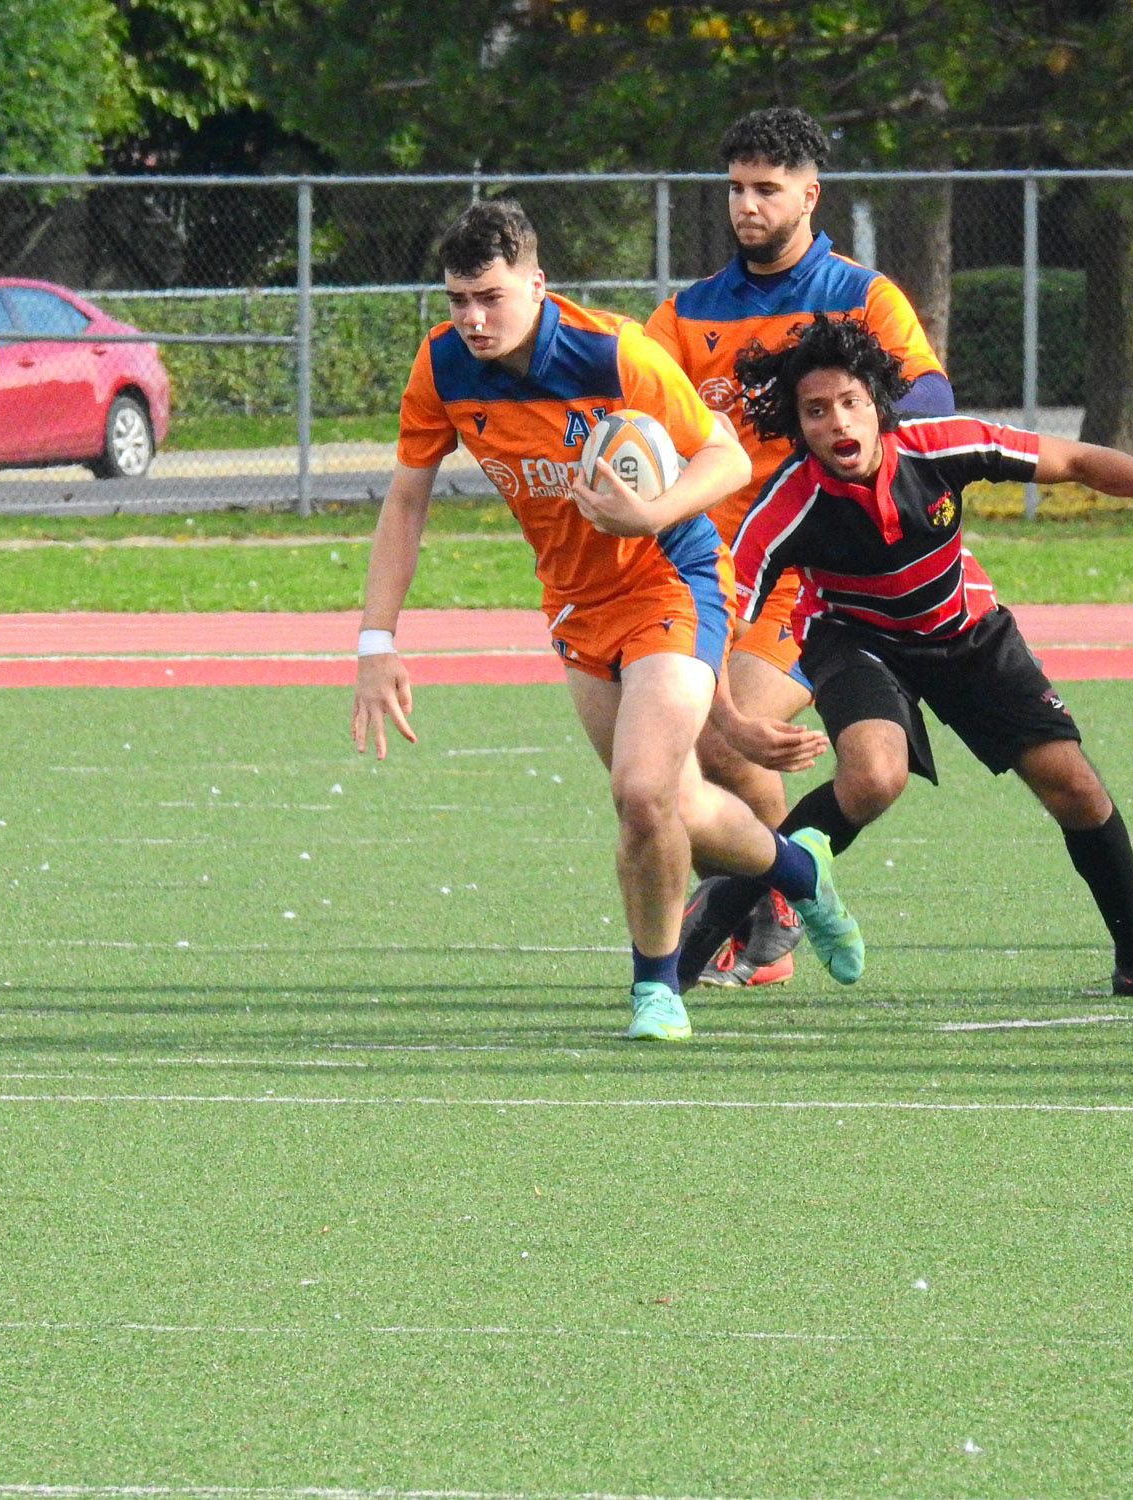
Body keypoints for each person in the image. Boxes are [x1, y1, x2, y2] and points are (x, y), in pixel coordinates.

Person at [351, 198, 861, 1042]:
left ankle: (654, 990)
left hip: (673, 580)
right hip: (576, 606)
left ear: (537, 284)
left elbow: (726, 455)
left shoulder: (616, 351)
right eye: (456, 300)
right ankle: (801, 869)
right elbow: (406, 499)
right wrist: (376, 642)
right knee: (666, 802)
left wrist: (650, 512)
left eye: (490, 296)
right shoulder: (443, 368)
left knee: (638, 789)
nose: (473, 319)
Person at [692, 312, 1133, 1001]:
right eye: (815, 411)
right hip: (858, 641)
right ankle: (686, 956)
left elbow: (1079, 462)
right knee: (873, 778)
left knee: (1077, 790)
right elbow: (714, 618)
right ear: (798, 425)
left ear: (878, 406)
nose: (837, 423)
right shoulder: (785, 507)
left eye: (850, 403)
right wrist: (729, 719)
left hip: (968, 634)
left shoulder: (944, 445)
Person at [647, 105, 956, 990]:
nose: (746, 205)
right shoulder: (686, 316)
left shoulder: (862, 297)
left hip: (808, 569)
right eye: (736, 188)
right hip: (709, 568)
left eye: (767, 189)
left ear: (810, 195)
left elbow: (927, 401)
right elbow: (636, 408)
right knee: (707, 752)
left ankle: (773, 904)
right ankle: (780, 900)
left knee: (737, 744)